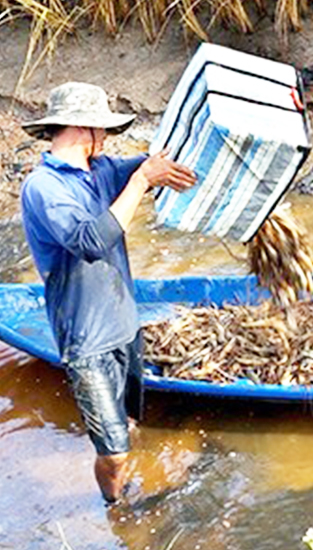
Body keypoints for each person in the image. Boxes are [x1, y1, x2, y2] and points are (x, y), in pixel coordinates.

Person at [19, 82, 197, 503]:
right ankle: (113, 506)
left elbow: (152, 167)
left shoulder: (100, 170)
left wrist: (168, 162)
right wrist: (140, 182)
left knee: (130, 422)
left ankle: (130, 478)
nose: (107, 140)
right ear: (85, 129)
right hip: (87, 342)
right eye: (104, 131)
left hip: (125, 324)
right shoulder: (43, 188)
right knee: (114, 452)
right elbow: (90, 241)